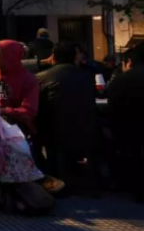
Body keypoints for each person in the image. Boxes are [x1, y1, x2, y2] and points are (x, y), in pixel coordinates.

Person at [35, 42, 98, 177]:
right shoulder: (87, 76)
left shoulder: (41, 76)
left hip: (54, 129)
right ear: (75, 57)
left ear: (53, 57)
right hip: (85, 127)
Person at [106, 45, 144, 186]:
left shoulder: (121, 80)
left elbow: (113, 107)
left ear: (128, 61)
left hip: (129, 129)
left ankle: (123, 180)